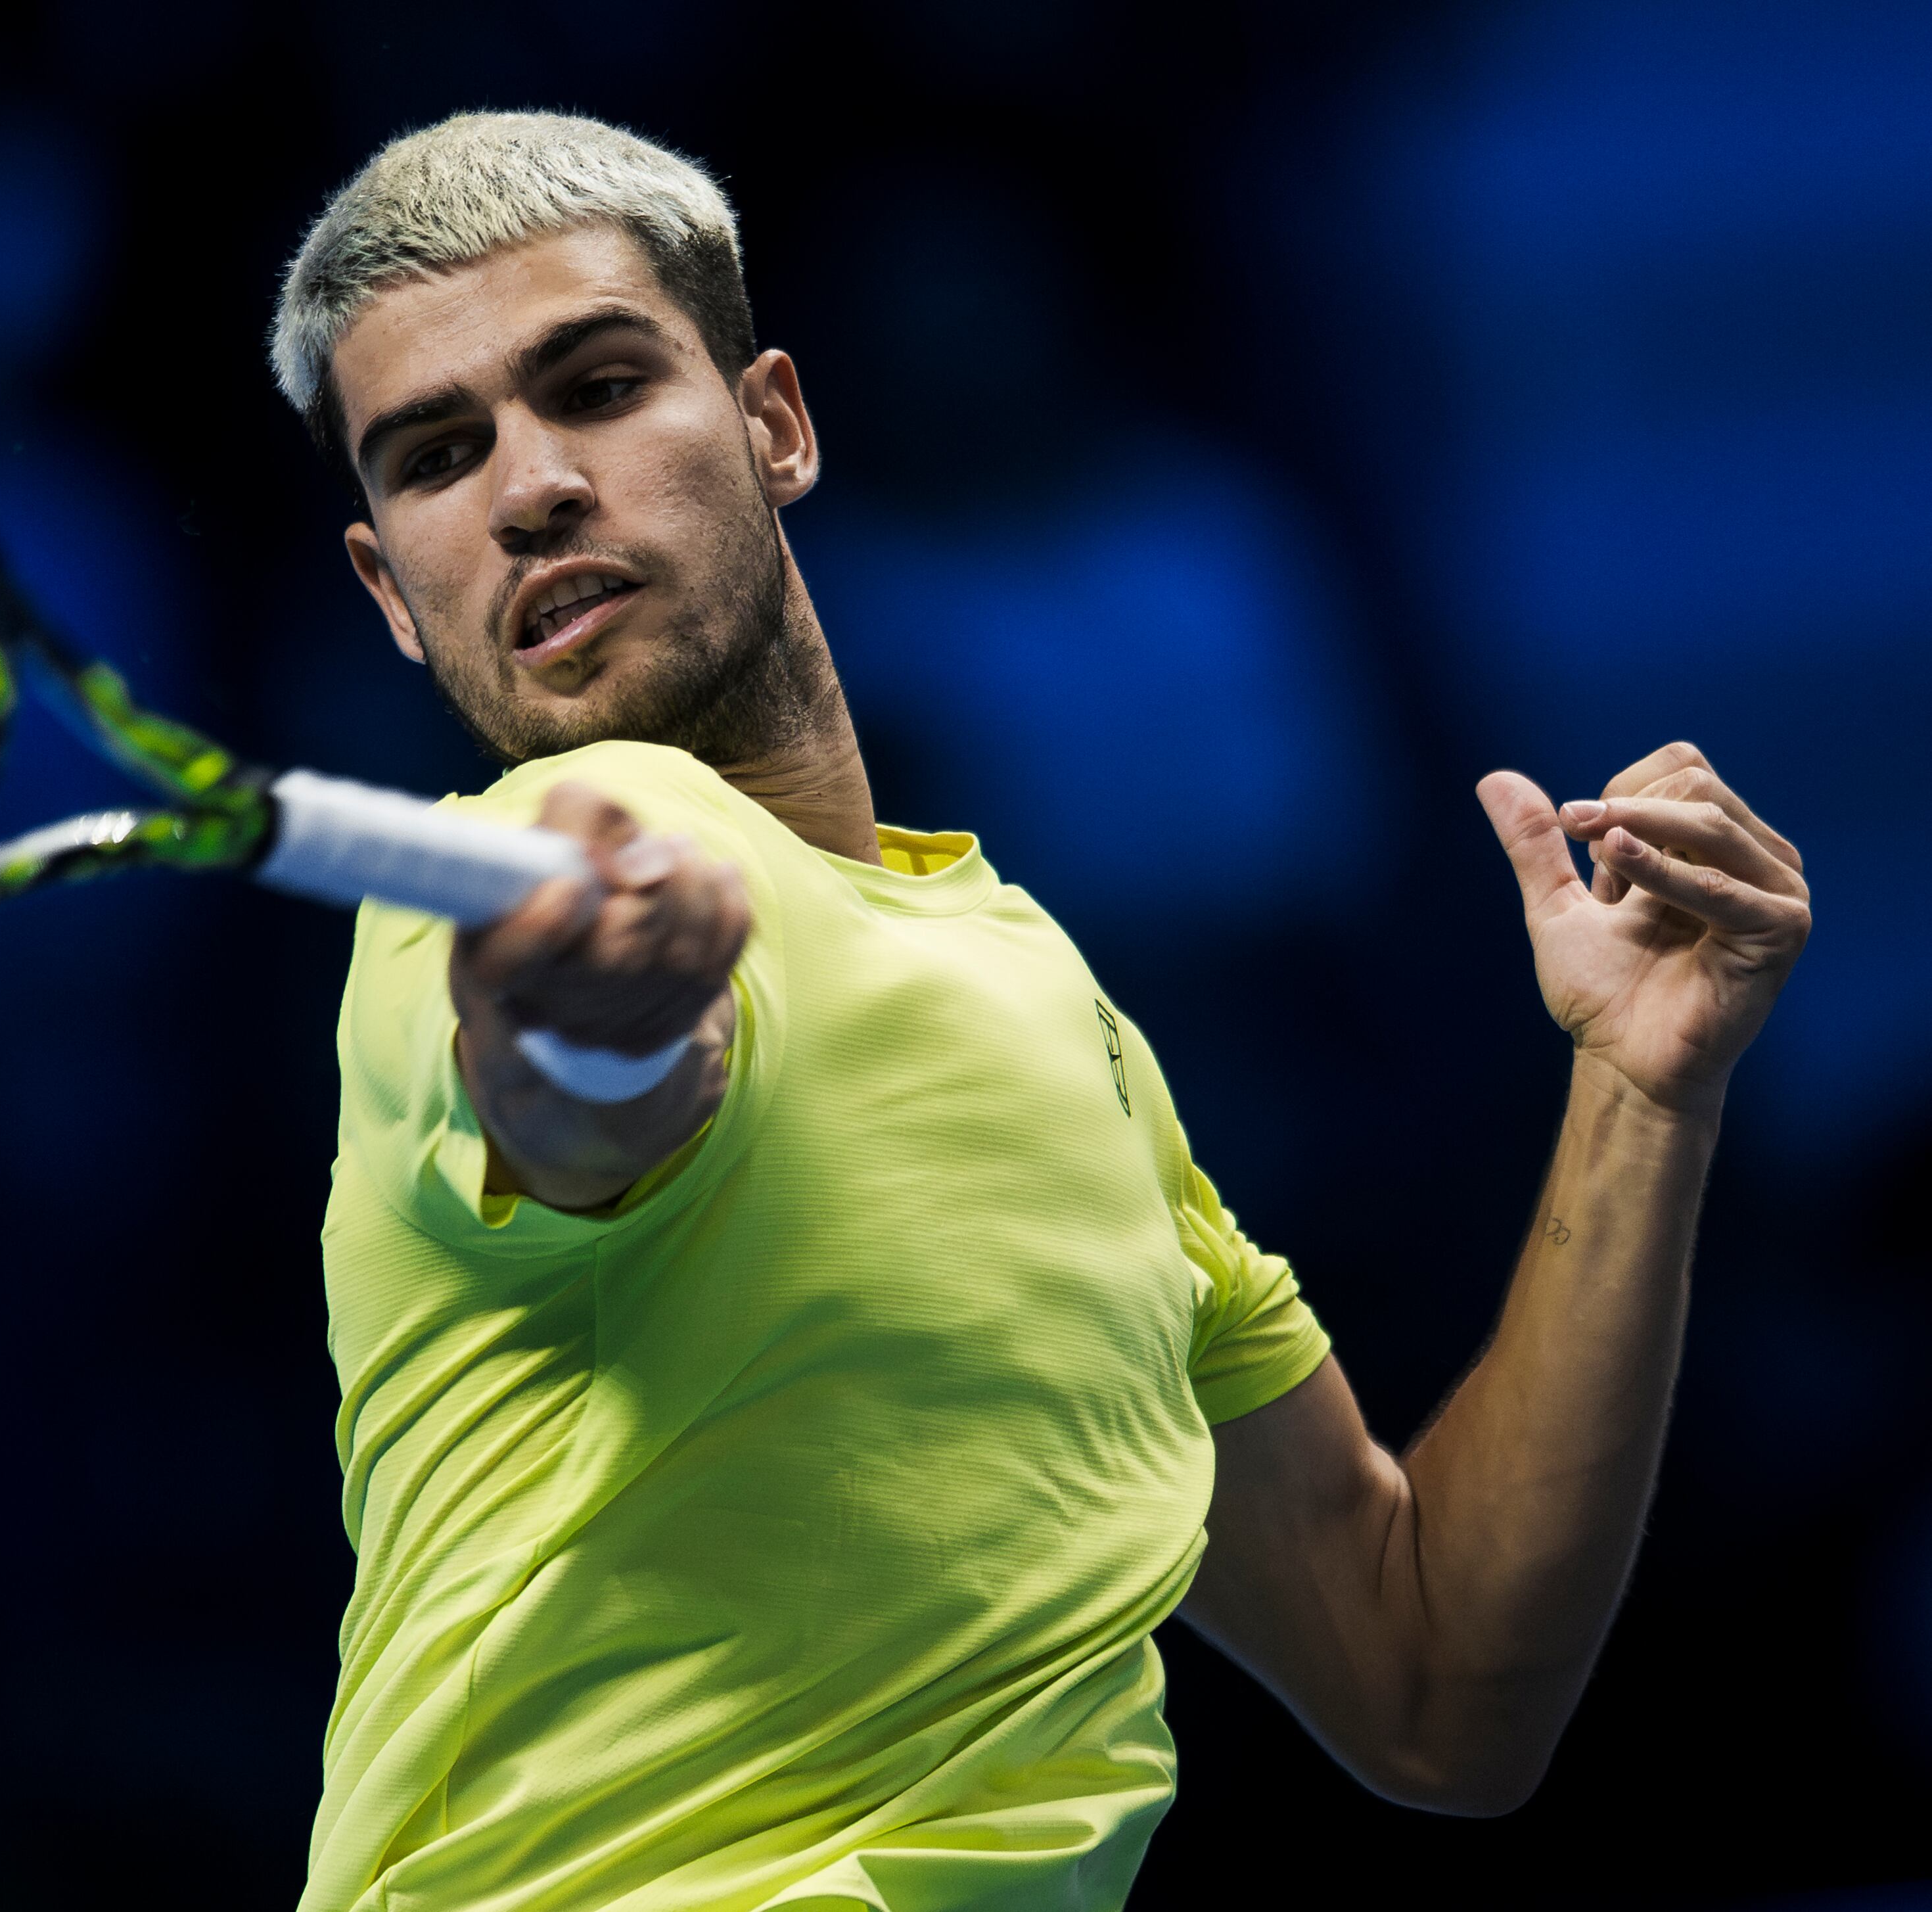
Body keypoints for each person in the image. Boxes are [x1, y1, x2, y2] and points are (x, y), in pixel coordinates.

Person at [267, 112, 1809, 1912]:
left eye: (598, 387)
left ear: (775, 425)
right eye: (438, 455)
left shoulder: (1041, 992)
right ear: (390, 588)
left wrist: (1639, 1087)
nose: (529, 486)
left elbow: (1435, 1689)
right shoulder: (501, 881)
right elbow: (574, 1094)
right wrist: (601, 1034)